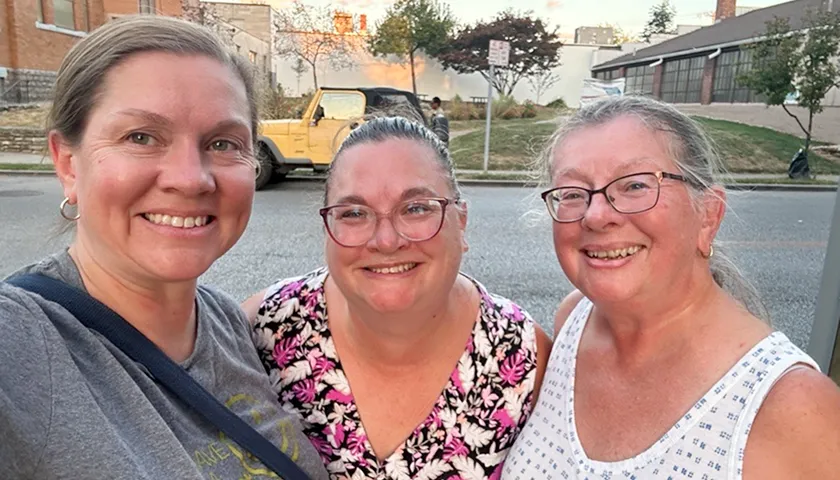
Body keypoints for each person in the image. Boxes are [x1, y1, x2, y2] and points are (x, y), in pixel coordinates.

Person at [0, 16, 328, 479]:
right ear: (68, 164)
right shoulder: (22, 342)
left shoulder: (229, 324)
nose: (190, 178)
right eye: (141, 137)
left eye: (222, 143)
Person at [502, 96, 840, 479]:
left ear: (708, 215)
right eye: (573, 193)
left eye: (635, 185)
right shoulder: (573, 322)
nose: (596, 216)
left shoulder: (796, 410)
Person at [243, 116, 551, 479]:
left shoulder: (523, 359)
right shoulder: (265, 329)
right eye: (354, 213)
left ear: (461, 221)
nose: (386, 241)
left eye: (416, 208)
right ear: (327, 228)